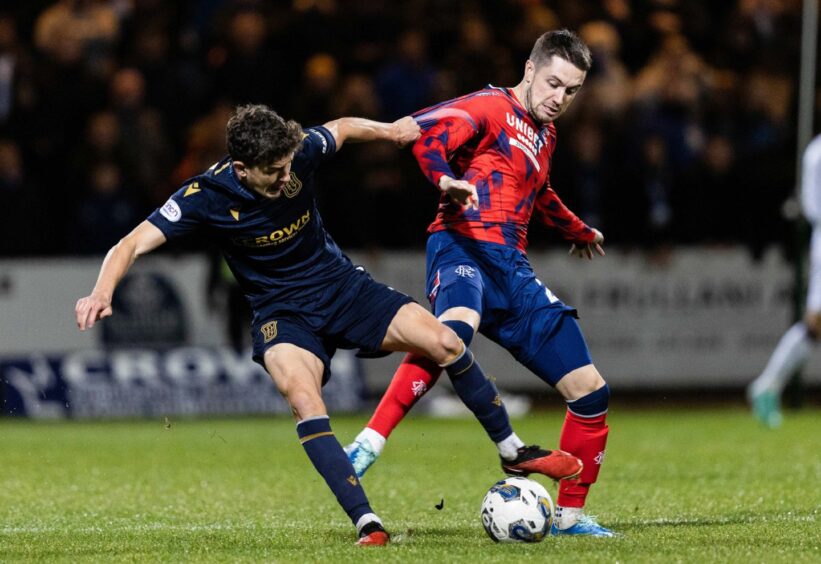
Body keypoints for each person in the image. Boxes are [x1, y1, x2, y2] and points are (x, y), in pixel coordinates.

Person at [74, 104, 582, 546]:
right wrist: (102, 292)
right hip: (281, 312)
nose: (285, 177)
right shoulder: (203, 196)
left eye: (288, 164)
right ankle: (367, 521)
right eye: (273, 171)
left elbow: (340, 128)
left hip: (342, 288)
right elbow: (129, 244)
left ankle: (513, 452)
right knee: (303, 397)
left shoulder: (299, 153)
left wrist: (390, 130)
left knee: (445, 340)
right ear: (241, 167)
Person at [345, 30, 617, 537]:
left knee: (590, 391)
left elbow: (539, 192)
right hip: (461, 247)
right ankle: (366, 445)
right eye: (554, 83)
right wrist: (445, 179)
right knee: (454, 331)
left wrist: (578, 229)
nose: (559, 98)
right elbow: (429, 138)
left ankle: (569, 518)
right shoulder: (490, 106)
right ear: (530, 69)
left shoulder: (545, 135)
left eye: (572, 91)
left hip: (512, 273)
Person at [748, 133, 821, 427]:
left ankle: (766, 385)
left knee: (815, 325)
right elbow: (812, 205)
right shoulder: (817, 153)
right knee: (816, 321)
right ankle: (766, 386)